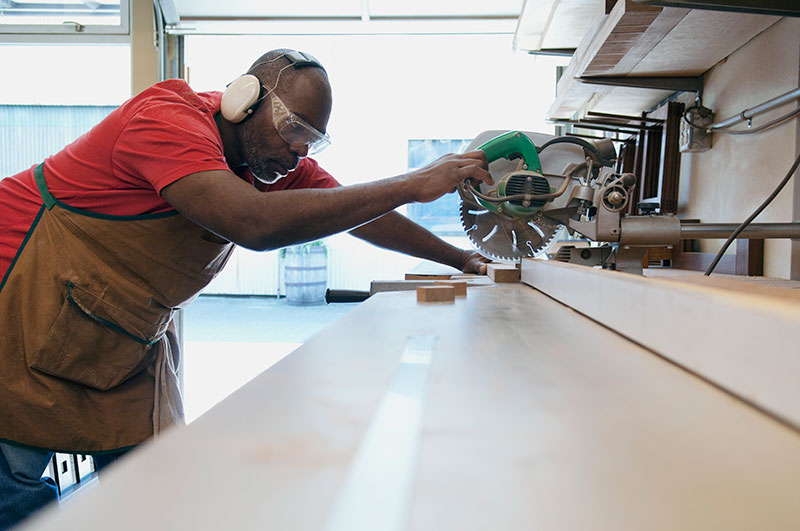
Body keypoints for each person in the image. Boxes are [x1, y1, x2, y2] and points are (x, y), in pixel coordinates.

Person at [0, 48, 491, 528]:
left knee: (156, 485)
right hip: (23, 298)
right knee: (16, 487)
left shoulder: (268, 162)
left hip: (119, 326)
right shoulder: (165, 121)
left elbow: (356, 214)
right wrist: (413, 182)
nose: (300, 149)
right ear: (243, 100)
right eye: (295, 129)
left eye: (313, 140)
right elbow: (252, 224)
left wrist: (462, 258)